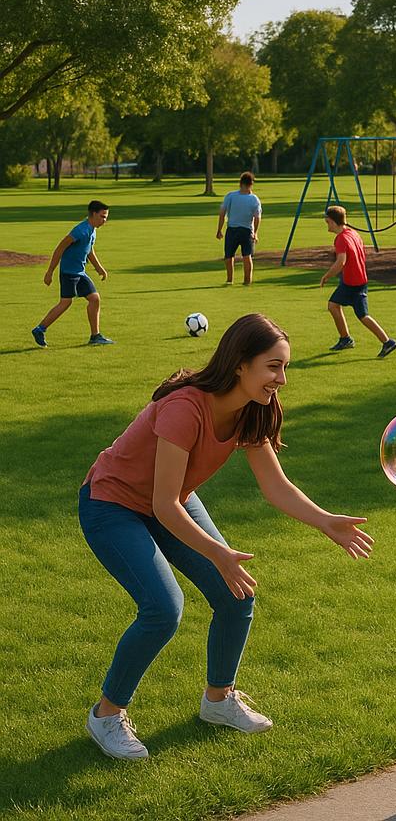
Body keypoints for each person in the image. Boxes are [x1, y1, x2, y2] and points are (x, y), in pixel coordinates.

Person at [78, 313, 374, 760]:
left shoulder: (254, 409)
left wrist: (325, 520)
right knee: (162, 608)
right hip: (113, 503)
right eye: (273, 367)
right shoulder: (185, 407)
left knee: (236, 597)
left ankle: (218, 700)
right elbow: (163, 506)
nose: (283, 379)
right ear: (241, 363)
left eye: (285, 367)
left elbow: (275, 486)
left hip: (170, 500)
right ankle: (106, 714)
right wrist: (219, 553)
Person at [32, 200, 114, 348]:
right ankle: (40, 329)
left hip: (80, 273)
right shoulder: (80, 230)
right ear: (93, 214)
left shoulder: (92, 230)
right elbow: (59, 249)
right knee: (66, 302)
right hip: (69, 273)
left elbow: (89, 250)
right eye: (102, 216)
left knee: (95, 299)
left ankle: (95, 336)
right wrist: (49, 272)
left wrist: (99, 268)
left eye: (106, 217)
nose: (104, 220)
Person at [321, 205, 396, 357]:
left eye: (328, 222)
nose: (327, 225)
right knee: (335, 306)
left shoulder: (341, 239)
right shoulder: (353, 233)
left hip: (352, 283)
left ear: (334, 222)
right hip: (359, 280)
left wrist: (327, 276)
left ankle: (386, 342)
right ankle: (346, 338)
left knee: (360, 315)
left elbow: (341, 262)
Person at [217, 172, 262, 285]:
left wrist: (219, 230)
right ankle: (247, 281)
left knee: (229, 256)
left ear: (240, 183)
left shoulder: (231, 196)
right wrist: (255, 233)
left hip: (232, 229)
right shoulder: (254, 199)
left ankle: (229, 280)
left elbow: (222, 213)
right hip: (247, 230)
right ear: (251, 184)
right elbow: (257, 217)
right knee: (247, 256)